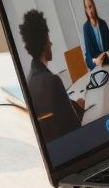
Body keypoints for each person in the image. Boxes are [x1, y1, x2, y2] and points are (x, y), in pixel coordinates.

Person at [19, 9, 85, 143]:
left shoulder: (29, 81)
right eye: (48, 38)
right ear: (44, 43)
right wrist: (80, 109)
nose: (51, 43)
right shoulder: (53, 81)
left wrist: (74, 106)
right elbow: (75, 126)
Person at [81, 0, 109, 69]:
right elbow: (88, 54)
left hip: (108, 65)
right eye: (86, 8)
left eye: (90, 6)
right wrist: (95, 61)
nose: (89, 11)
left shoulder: (103, 23)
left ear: (94, 6)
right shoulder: (86, 28)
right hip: (96, 68)